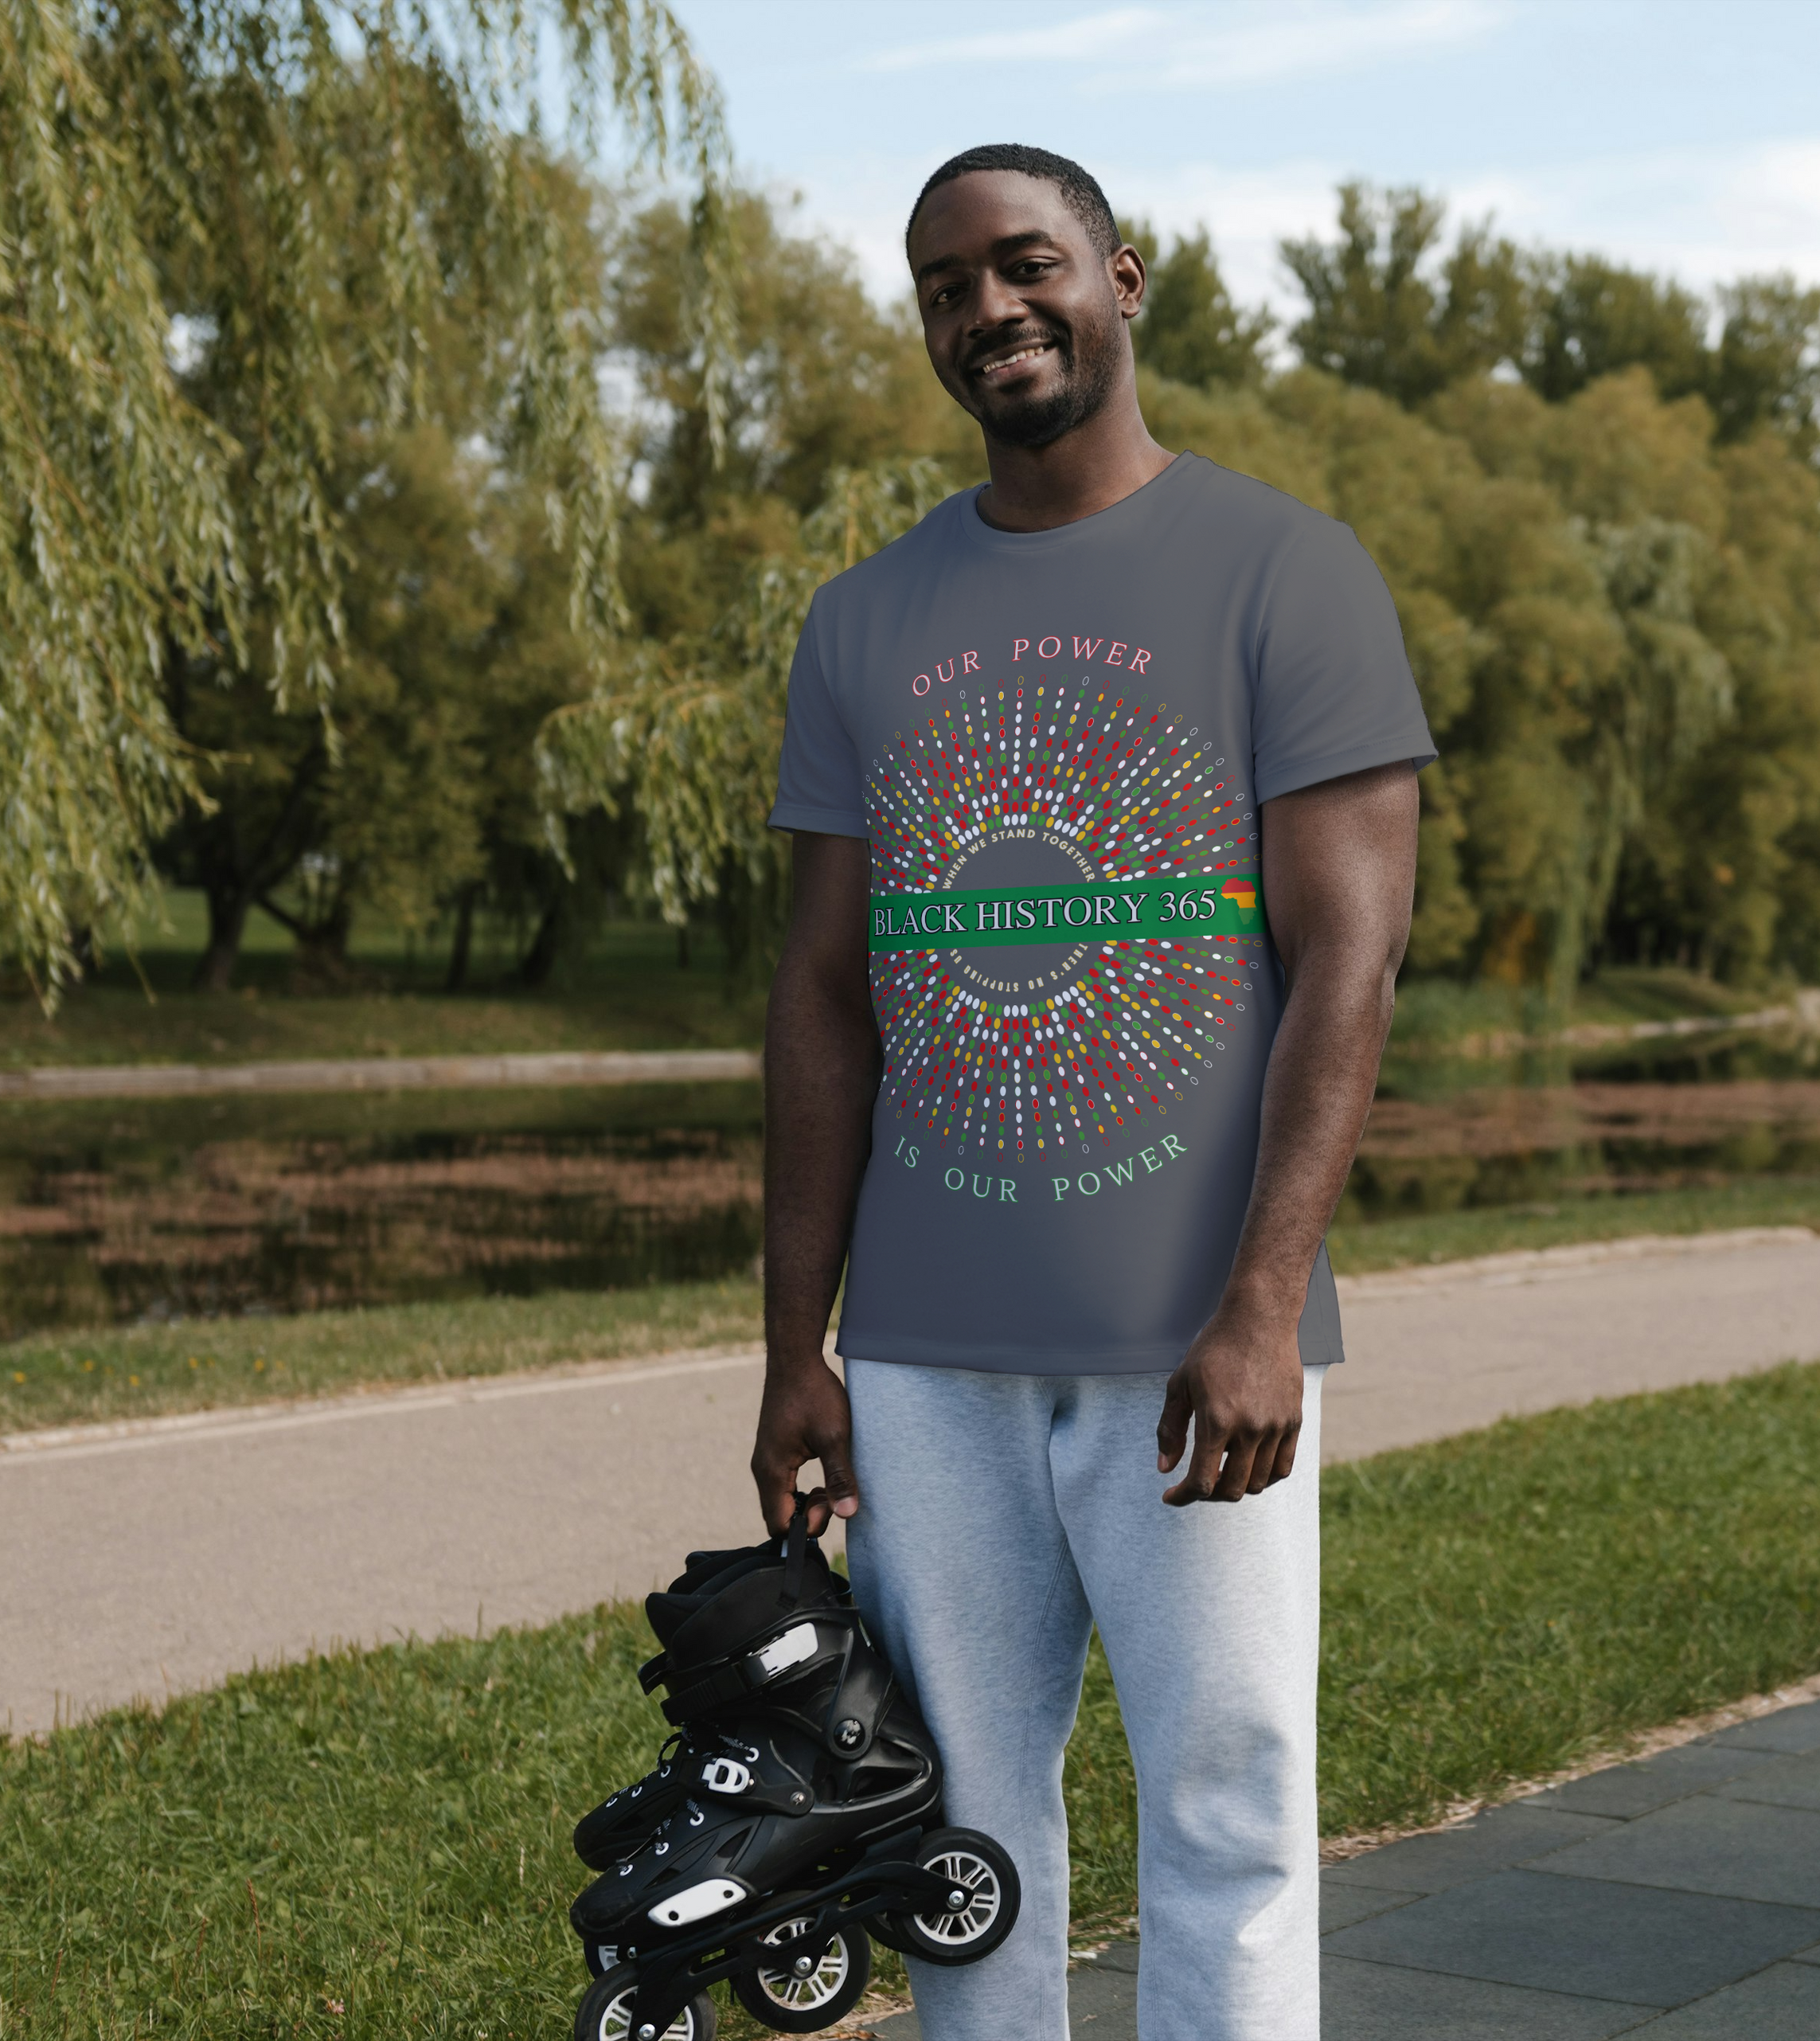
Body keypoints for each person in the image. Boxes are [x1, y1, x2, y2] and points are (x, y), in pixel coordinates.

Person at [748, 143, 1431, 2041]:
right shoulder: (862, 621)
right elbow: (822, 1002)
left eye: (1026, 263)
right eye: (946, 286)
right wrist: (797, 1347)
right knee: (956, 1840)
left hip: (1189, 1345)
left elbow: (1349, 961)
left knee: (1230, 1812)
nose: (990, 309)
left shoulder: (1285, 570)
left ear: (1123, 278)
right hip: (924, 1360)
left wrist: (1265, 1307)